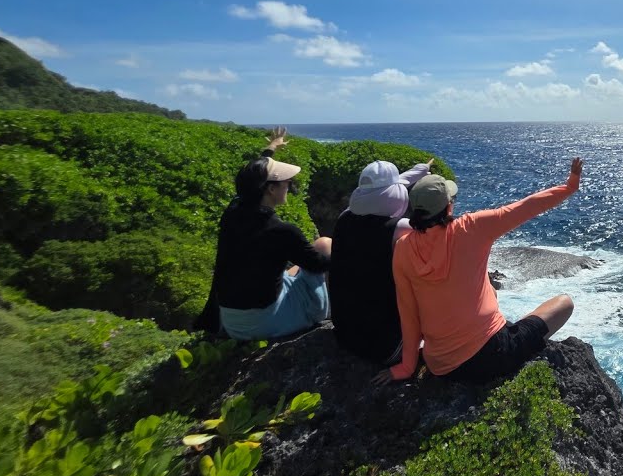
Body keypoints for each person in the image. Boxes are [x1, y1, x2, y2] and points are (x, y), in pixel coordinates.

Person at [374, 158, 583, 385]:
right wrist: (570, 185)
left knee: (491, 290)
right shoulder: (471, 227)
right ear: (449, 207)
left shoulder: (403, 248)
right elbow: (527, 207)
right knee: (565, 303)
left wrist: (406, 367)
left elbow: (408, 314)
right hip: (492, 355)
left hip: (441, 364)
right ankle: (513, 333)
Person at [200, 127, 333, 340]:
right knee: (325, 245)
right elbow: (318, 265)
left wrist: (270, 149)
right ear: (271, 189)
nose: (289, 185)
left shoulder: (233, 211)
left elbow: (252, 177)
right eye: (286, 182)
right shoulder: (281, 231)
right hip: (264, 323)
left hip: (231, 321)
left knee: (294, 268)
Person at [328, 158, 433, 364]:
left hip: (345, 335)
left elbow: (387, 187)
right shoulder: (401, 229)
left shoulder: (344, 218)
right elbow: (441, 244)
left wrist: (420, 169)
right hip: (386, 347)